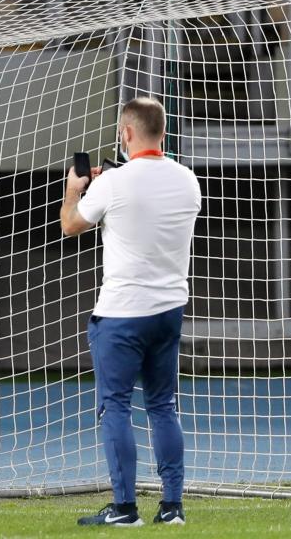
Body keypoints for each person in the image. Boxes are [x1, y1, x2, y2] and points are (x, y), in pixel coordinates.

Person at [60, 97, 201, 527]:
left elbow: (70, 225)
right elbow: (149, 201)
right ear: (162, 131)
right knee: (163, 406)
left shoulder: (112, 184)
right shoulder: (187, 179)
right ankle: (172, 507)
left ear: (125, 133)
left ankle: (124, 509)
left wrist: (75, 190)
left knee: (114, 406)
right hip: (169, 309)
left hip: (122, 313)